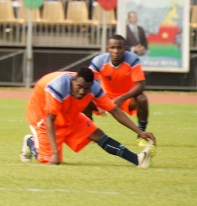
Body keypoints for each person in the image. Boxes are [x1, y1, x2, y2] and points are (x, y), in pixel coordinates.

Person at [20, 67, 155, 167]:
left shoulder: (94, 88)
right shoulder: (58, 87)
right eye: (79, 87)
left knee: (97, 134)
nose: (82, 91)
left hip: (67, 113)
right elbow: (50, 119)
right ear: (73, 81)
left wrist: (140, 132)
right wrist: (54, 153)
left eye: (86, 89)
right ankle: (30, 141)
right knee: (50, 160)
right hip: (42, 116)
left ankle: (137, 160)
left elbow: (115, 111)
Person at [86, 34, 150, 146]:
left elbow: (141, 85)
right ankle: (89, 132)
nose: (116, 51)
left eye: (119, 48)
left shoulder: (132, 59)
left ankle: (141, 135)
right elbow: (89, 82)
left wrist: (121, 99)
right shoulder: (99, 61)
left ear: (125, 48)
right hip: (104, 97)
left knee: (142, 99)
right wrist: (98, 100)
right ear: (108, 48)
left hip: (126, 98)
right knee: (85, 99)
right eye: (112, 47)